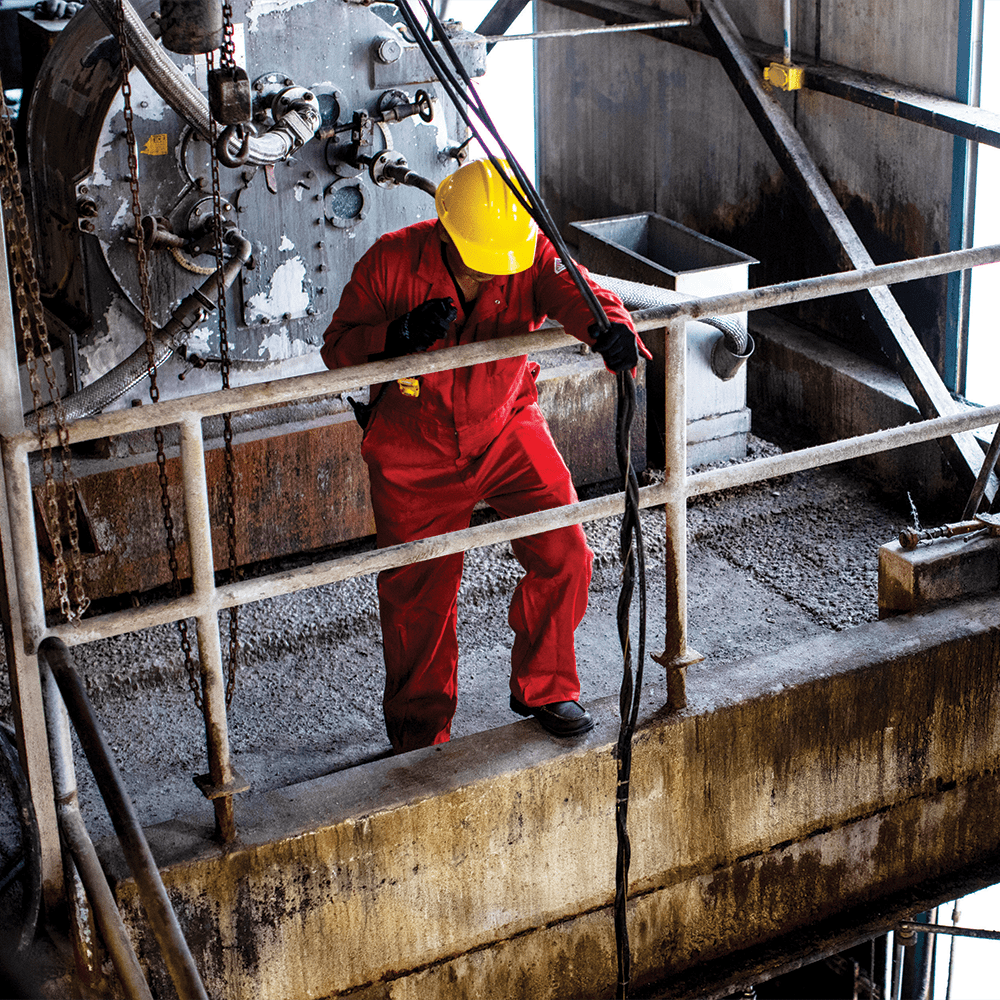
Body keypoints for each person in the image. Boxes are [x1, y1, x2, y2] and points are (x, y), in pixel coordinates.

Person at [321, 158, 648, 754]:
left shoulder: (524, 251)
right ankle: (421, 734)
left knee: (566, 550)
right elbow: (337, 350)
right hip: (413, 448)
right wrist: (394, 339)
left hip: (505, 427)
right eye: (482, 262)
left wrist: (609, 326)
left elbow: (575, 288)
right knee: (418, 599)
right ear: (444, 231)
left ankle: (544, 685)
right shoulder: (391, 263)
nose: (497, 273)